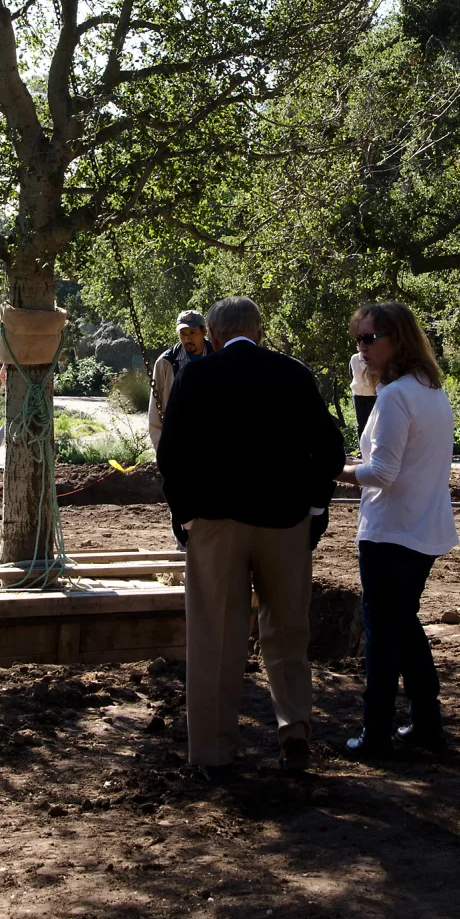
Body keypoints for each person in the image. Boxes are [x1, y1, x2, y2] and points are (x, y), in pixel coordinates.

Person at [156, 296, 345, 780]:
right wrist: (315, 508)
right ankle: (295, 734)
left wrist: (184, 516)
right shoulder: (294, 373)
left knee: (215, 638)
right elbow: (329, 450)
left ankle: (213, 751)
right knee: (287, 631)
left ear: (214, 336)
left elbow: (171, 453)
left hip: (215, 524)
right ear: (259, 331)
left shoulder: (196, 375)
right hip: (285, 522)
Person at [335, 302, 457, 759]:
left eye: (370, 339)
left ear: (398, 339)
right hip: (420, 528)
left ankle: (376, 734)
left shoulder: (396, 395)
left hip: (391, 532)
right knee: (403, 626)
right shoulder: (428, 388)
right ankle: (426, 723)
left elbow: (381, 473)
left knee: (384, 634)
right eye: (358, 339)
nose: (362, 348)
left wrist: (332, 470)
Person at [148, 310, 214, 450]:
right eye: (183, 334)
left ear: (204, 332)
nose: (187, 339)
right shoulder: (165, 363)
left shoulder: (218, 356)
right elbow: (154, 411)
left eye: (192, 333)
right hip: (178, 439)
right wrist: (160, 448)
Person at [349, 347, 377, 437]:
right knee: (361, 424)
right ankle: (361, 445)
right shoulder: (354, 358)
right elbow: (352, 374)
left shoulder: (374, 357)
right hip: (358, 395)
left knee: (373, 424)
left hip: (372, 395)